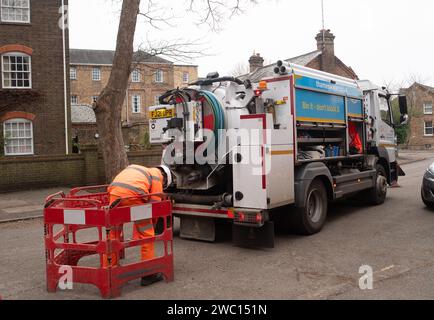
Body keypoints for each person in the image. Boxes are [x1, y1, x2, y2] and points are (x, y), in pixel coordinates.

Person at [105, 164, 172, 286]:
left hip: (114, 195)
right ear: (165, 177)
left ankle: (108, 270)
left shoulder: (138, 169)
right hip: (133, 196)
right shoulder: (157, 176)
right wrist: (152, 224)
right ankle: (148, 274)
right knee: (147, 235)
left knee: (113, 234)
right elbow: (154, 206)